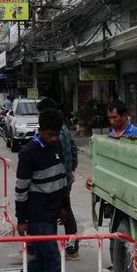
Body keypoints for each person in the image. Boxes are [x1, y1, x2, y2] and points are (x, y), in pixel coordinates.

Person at [1, 108, 83, 272]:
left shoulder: (57, 145)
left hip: (53, 212)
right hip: (37, 217)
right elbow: (21, 190)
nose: (54, 139)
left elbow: (62, 179)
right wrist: (21, 220)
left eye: (57, 135)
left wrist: (64, 207)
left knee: (43, 261)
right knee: (54, 262)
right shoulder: (28, 154)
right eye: (50, 135)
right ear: (41, 131)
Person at [103, 100, 137, 272]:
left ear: (124, 116)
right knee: (115, 230)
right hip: (117, 192)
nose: (111, 121)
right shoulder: (111, 135)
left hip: (134, 192)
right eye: (109, 118)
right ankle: (117, 265)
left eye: (114, 117)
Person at [37, 98, 80, 259]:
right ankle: (70, 245)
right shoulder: (64, 130)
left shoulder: (55, 133)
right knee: (65, 209)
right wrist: (71, 170)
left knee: (61, 210)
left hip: (58, 180)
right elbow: (74, 150)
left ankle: (66, 246)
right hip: (65, 177)